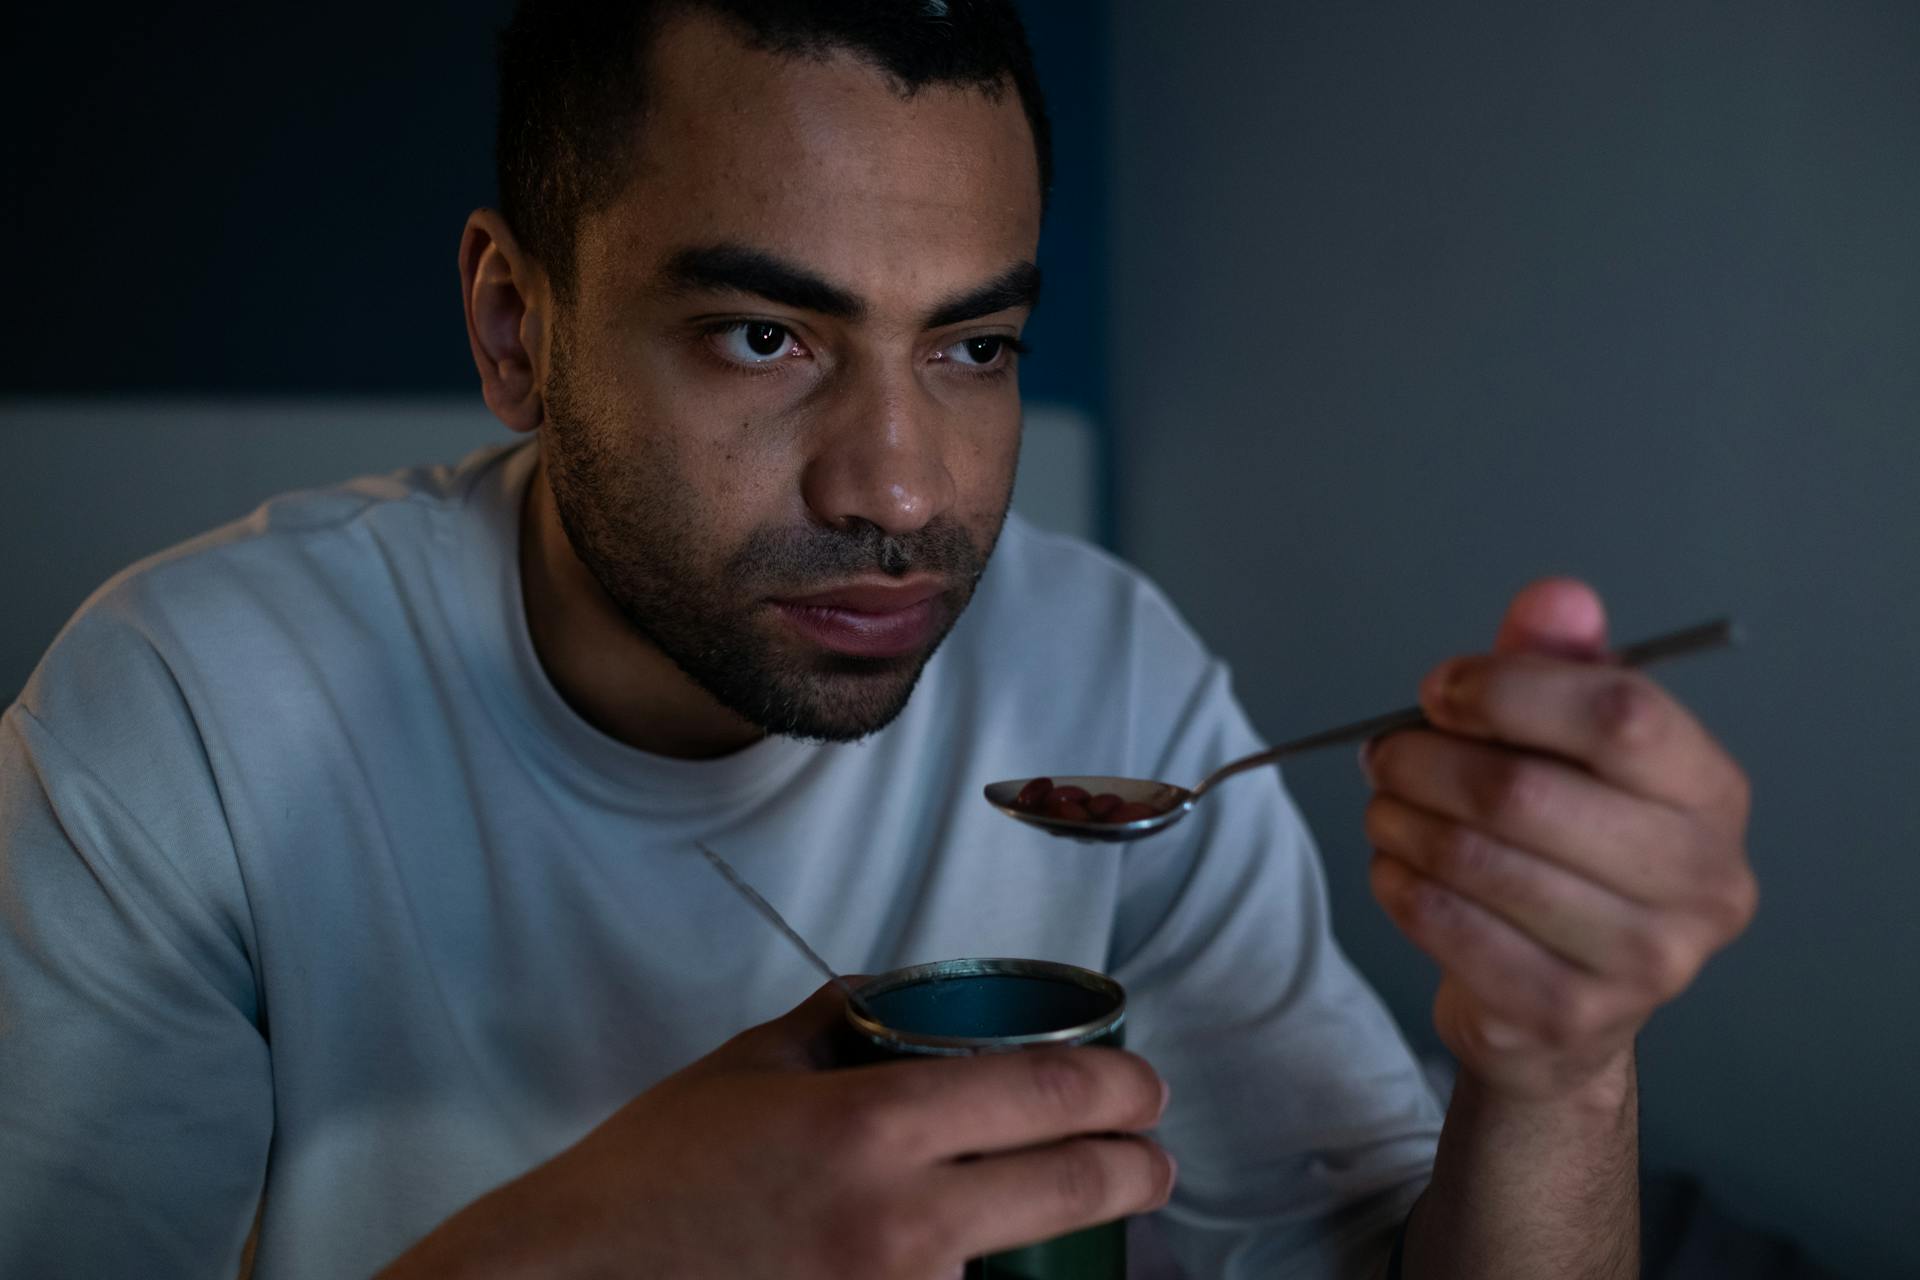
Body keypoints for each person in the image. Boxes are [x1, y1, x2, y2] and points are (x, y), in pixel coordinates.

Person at [0, 2, 1755, 1277]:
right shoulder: (191, 711)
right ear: (516, 325)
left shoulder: (1106, 671)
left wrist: (1555, 1074)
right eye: (766, 338)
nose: (904, 490)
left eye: (972, 347)